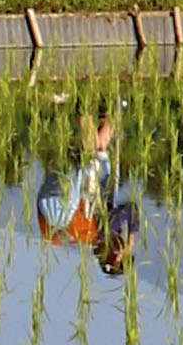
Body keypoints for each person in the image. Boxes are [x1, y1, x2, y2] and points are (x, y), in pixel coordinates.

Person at [35, 108, 141, 276]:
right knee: (100, 151)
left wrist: (131, 238)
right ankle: (106, 109)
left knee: (91, 156)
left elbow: (131, 210)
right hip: (53, 207)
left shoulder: (101, 232)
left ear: (116, 254)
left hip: (59, 208)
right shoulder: (92, 234)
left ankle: (83, 109)